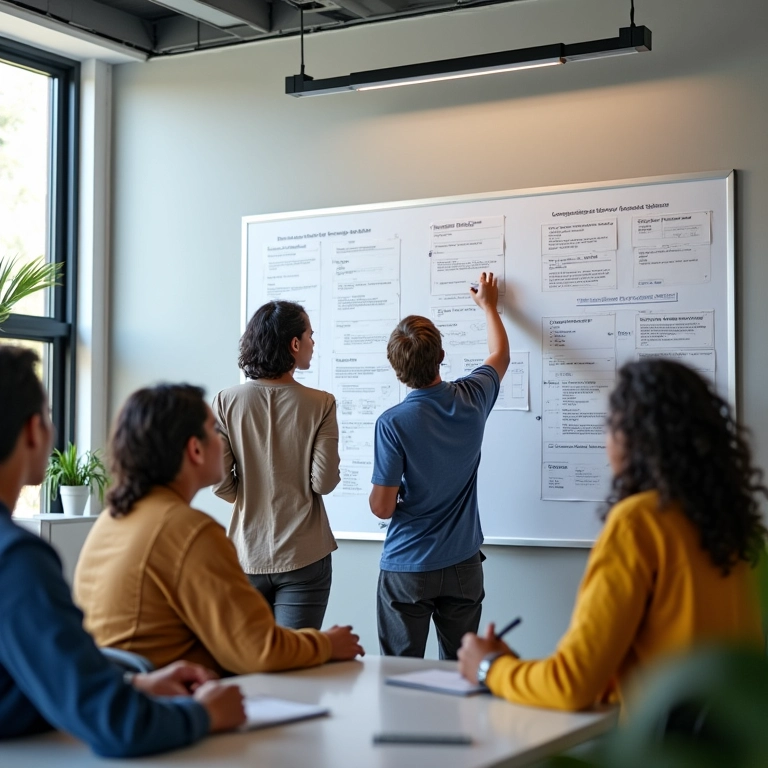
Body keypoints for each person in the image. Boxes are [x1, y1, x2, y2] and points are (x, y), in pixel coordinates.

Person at [459, 359, 766, 710]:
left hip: (662, 739)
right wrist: (515, 669)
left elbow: (572, 686)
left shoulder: (639, 522)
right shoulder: (737, 527)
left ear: (633, 437)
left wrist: (489, 667)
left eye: (609, 426)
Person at [0, 346, 246, 757]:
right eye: (48, 415)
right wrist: (204, 714)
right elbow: (118, 725)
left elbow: (29, 680)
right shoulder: (16, 560)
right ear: (32, 430)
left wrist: (131, 684)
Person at [74, 383, 363, 676]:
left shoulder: (112, 520)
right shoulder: (190, 532)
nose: (222, 438)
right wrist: (328, 644)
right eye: (214, 430)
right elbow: (258, 651)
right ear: (195, 449)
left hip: (128, 688)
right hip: (169, 696)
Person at [370, 271, 510, 659]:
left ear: (396, 368)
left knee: (399, 675)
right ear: (441, 356)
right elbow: (500, 355)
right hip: (464, 564)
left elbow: (382, 508)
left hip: (408, 565)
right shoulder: (472, 397)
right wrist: (489, 307)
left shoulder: (393, 423)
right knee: (459, 670)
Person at [212, 300, 340, 630]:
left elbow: (220, 483)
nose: (313, 343)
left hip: (246, 553)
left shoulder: (226, 401)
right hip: (304, 554)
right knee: (297, 655)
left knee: (251, 655)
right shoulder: (322, 404)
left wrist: (249, 495)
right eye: (310, 335)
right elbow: (323, 483)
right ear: (295, 344)